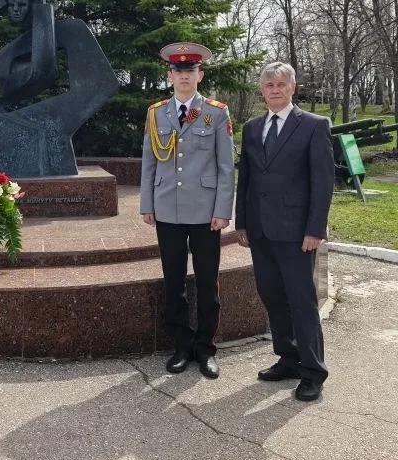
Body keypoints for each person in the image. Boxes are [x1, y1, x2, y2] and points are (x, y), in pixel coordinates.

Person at [234, 61, 334, 401]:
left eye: (280, 84)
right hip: (260, 230)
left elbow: (323, 183)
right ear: (262, 91)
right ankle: (288, 358)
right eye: (268, 85)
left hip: (296, 233)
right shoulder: (251, 128)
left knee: (302, 302)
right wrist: (242, 222)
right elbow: (245, 179)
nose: (274, 90)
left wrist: (315, 229)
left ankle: (313, 371)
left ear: (292, 88)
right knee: (273, 297)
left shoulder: (314, 126)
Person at [140, 43, 235, 377]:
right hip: (167, 211)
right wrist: (147, 204)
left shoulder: (215, 112)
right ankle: (182, 346)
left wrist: (223, 210)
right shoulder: (156, 113)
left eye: (190, 71)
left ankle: (206, 348)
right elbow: (149, 163)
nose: (184, 76)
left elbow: (226, 167)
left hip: (206, 213)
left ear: (200, 74)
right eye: (178, 71)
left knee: (208, 283)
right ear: (170, 75)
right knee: (174, 281)